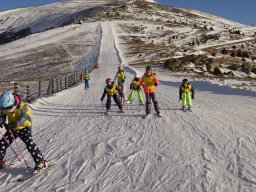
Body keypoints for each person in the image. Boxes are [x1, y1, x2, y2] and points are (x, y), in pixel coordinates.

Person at [0, 91, 46, 173]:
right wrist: (1, 121)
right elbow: (2, 116)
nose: (8, 110)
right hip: (13, 128)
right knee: (3, 142)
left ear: (14, 102)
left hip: (24, 126)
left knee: (29, 143)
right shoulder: (4, 107)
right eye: (5, 108)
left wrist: (13, 125)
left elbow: (23, 118)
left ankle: (40, 162)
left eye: (9, 107)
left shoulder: (21, 106)